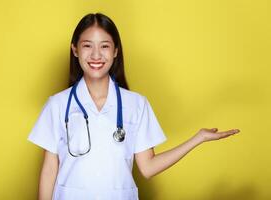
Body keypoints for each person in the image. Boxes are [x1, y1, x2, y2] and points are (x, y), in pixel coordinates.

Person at [27, 12, 240, 200]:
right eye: (87, 46)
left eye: (104, 46)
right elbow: (49, 169)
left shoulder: (136, 104)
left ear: (116, 51)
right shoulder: (57, 104)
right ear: (75, 50)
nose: (95, 55)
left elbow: (148, 168)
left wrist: (198, 138)